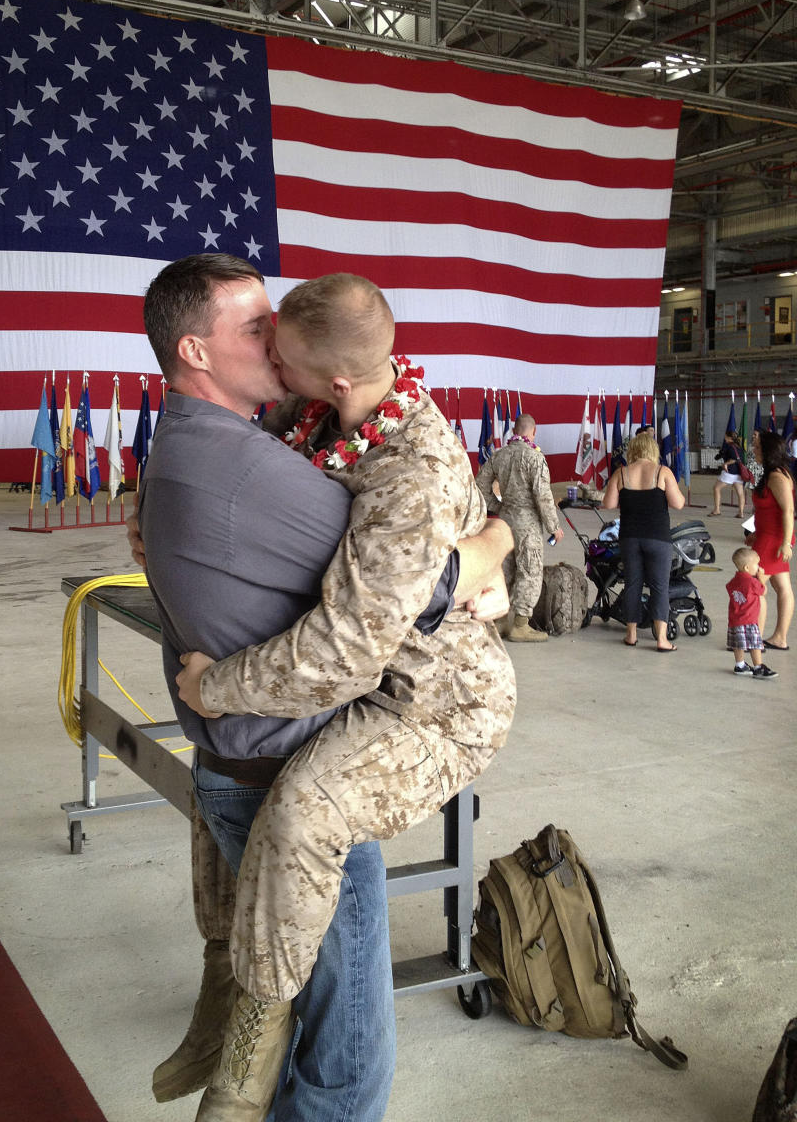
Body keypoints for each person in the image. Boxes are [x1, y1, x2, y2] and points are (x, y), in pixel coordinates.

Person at [134, 255, 513, 1122]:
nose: (272, 348)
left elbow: (354, 640)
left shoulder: (402, 462)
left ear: (333, 375)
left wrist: (478, 553)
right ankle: (235, 1008)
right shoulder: (305, 421)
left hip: (427, 699)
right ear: (196, 351)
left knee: (306, 814)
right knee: (259, 813)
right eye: (257, 329)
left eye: (280, 336)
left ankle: (246, 1036)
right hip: (354, 695)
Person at [472, 412, 563, 642]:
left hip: (505, 520)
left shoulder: (499, 455)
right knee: (529, 571)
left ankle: (501, 620)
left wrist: (498, 506)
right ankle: (520, 625)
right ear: (534, 431)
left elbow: (480, 485)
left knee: (506, 569)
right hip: (527, 523)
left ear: (514, 431)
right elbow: (542, 496)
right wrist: (554, 526)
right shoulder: (534, 458)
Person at [603, 429, 685, 650]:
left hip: (630, 537)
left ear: (633, 451)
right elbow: (678, 503)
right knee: (659, 587)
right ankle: (661, 639)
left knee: (632, 585)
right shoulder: (662, 472)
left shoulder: (621, 473)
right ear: (652, 450)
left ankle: (631, 634)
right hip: (658, 537)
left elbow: (609, 504)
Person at [748, 429, 795, 651]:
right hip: (767, 535)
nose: (754, 450)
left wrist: (786, 542)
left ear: (768, 450)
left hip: (773, 539)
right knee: (782, 586)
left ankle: (753, 638)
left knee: (754, 586)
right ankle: (779, 637)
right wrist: (756, 533)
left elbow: (788, 511)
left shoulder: (777, 476)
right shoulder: (771, 474)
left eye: (757, 447)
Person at [725, 546, 776, 679]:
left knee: (738, 644)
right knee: (755, 644)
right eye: (757, 564)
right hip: (749, 619)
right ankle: (758, 666)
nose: (758, 567)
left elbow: (729, 588)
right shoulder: (752, 582)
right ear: (747, 568)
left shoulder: (734, 580)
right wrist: (761, 579)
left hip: (735, 618)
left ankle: (740, 665)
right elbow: (763, 591)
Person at [710, 430, 746, 517]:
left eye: (726, 436)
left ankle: (717, 509)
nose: (724, 438)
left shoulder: (728, 446)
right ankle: (741, 512)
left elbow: (734, 459)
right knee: (740, 493)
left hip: (729, 472)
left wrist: (725, 464)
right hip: (739, 473)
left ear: (729, 438)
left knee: (716, 488)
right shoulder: (739, 447)